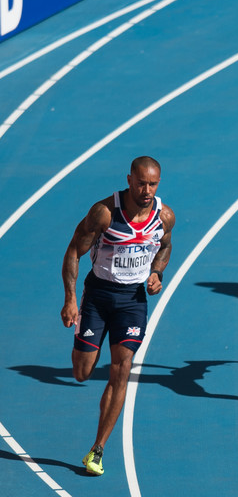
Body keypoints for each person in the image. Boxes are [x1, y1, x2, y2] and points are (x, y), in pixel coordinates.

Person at [60, 156, 175, 475]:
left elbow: (165, 247)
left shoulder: (164, 216)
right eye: (141, 183)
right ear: (129, 180)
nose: (147, 190)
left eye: (153, 184)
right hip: (98, 295)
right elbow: (73, 250)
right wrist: (70, 298)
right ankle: (87, 346)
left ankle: (97, 449)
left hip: (132, 300)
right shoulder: (104, 214)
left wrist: (157, 273)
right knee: (82, 372)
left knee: (121, 369)